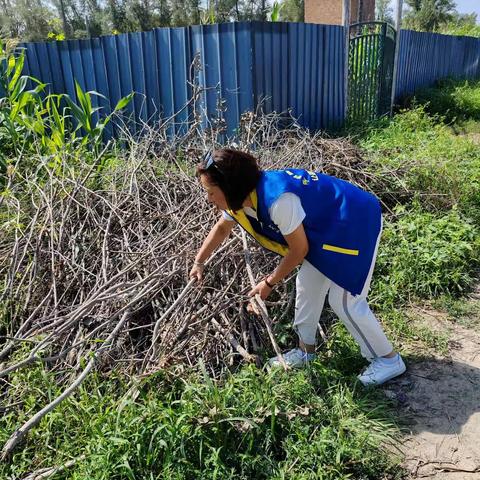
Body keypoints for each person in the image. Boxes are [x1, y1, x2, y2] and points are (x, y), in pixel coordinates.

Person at [189, 148, 406, 386]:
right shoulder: (240, 200)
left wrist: (269, 283)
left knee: (344, 300)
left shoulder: (279, 200)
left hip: (353, 222)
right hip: (324, 228)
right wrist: (199, 261)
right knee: (306, 285)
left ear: (230, 188)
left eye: (211, 192)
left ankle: (388, 360)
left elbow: (299, 250)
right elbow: (222, 228)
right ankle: (306, 351)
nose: (208, 198)